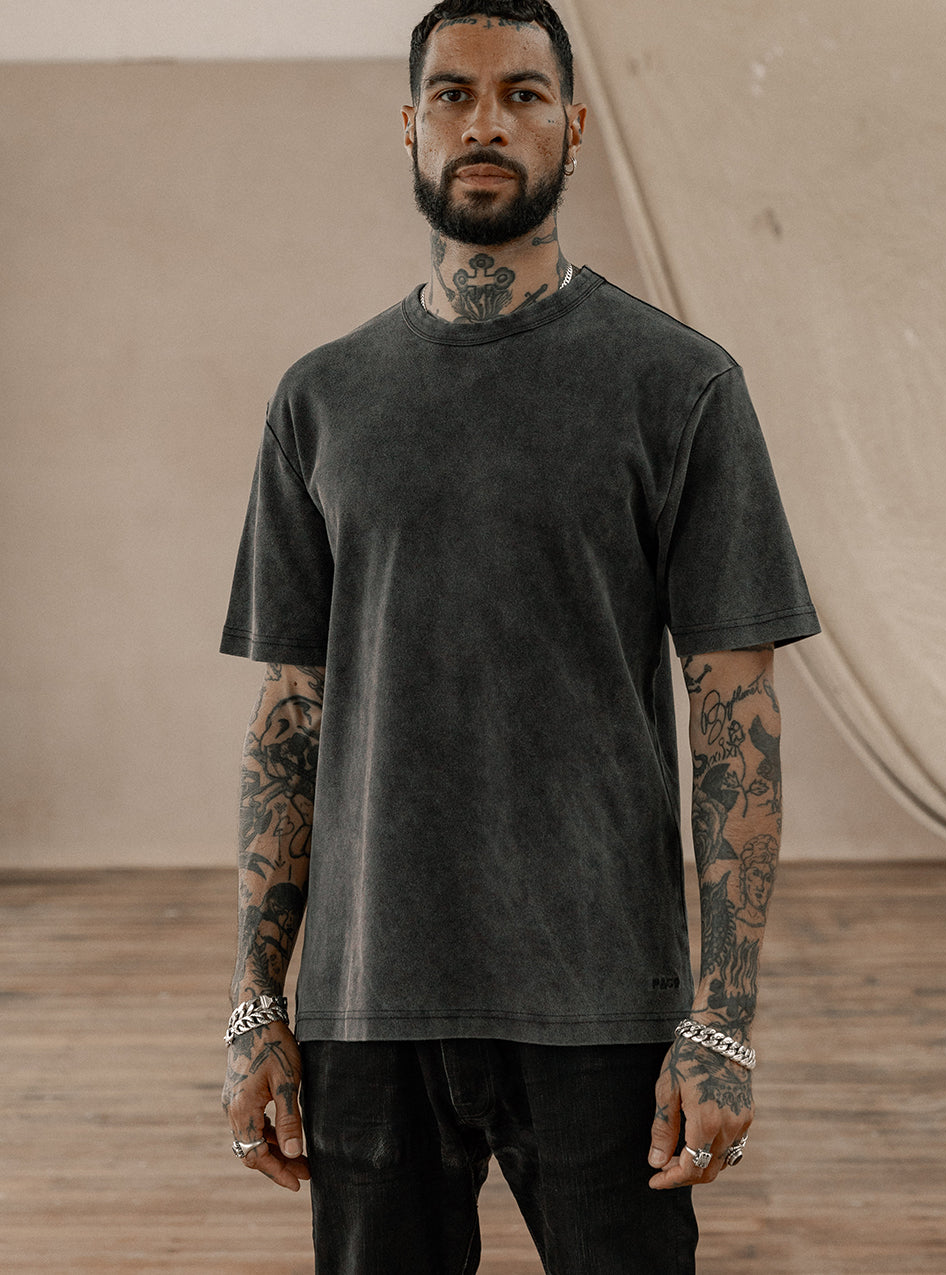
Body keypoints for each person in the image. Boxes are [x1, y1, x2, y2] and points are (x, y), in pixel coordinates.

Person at [219, 2, 820, 1270]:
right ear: (411, 125)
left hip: (602, 1004)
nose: (485, 122)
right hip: (368, 1006)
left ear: (574, 126)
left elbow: (736, 718)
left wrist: (723, 1021)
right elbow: (289, 720)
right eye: (453, 94)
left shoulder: (681, 387)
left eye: (522, 94)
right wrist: (255, 999)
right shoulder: (321, 401)